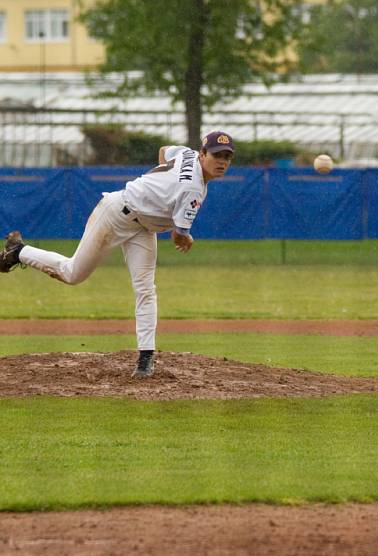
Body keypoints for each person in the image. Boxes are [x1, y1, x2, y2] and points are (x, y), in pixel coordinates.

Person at [0, 131, 235, 377]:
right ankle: (19, 251)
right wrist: (186, 239)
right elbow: (178, 235)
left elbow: (164, 150)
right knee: (72, 274)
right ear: (203, 154)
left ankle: (146, 356)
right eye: (217, 155)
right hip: (116, 215)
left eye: (227, 157)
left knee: (145, 288)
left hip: (144, 228)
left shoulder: (186, 154)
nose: (222, 162)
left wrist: (157, 186)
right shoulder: (193, 189)